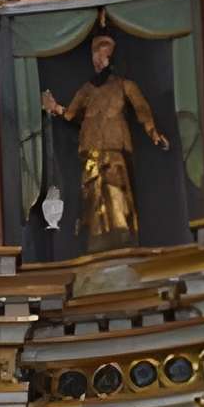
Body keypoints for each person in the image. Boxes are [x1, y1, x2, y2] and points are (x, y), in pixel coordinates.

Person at [41, 22, 168, 248]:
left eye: (104, 53)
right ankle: (96, 240)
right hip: (91, 152)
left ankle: (121, 236)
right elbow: (70, 114)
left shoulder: (124, 86)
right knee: (93, 197)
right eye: (96, 54)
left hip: (115, 151)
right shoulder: (87, 90)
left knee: (116, 193)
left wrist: (153, 132)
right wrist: (54, 107)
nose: (99, 59)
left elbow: (141, 109)